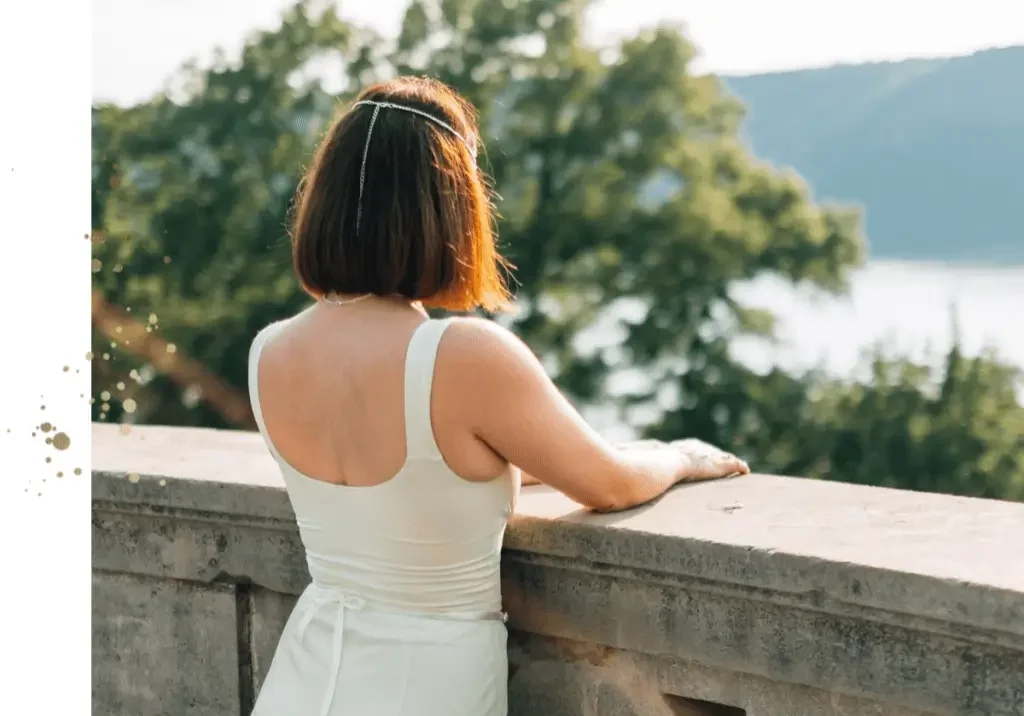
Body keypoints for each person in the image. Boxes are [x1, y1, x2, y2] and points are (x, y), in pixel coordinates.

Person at [246, 76, 750, 716]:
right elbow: (613, 485)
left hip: (307, 673)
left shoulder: (270, 353)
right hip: (424, 685)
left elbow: (418, 493)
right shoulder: (462, 357)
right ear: (448, 205)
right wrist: (678, 457)